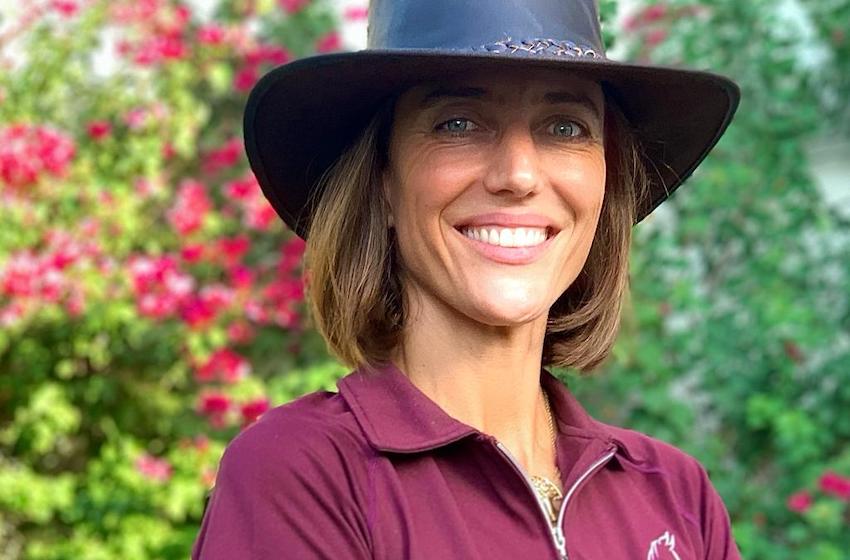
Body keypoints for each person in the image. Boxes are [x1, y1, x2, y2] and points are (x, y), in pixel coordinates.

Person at [193, 0, 742, 558]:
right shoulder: (304, 476)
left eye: (565, 127)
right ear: (383, 179)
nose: (519, 175)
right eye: (458, 123)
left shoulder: (677, 496)